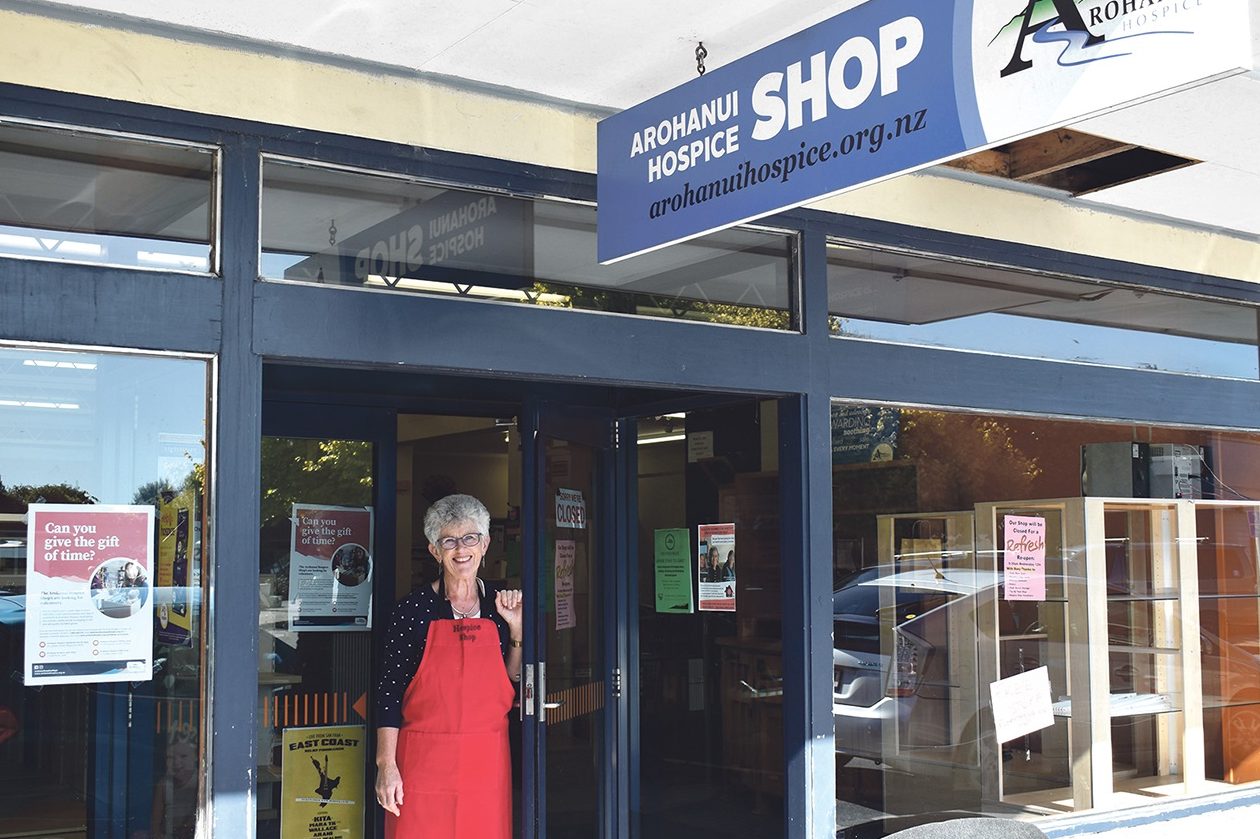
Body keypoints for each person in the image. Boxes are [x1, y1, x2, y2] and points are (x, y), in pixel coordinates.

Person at [374, 494, 523, 839]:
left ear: (485, 544)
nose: (461, 549)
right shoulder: (412, 610)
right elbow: (389, 692)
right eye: (449, 541)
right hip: (422, 763)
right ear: (435, 551)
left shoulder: (500, 605)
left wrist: (516, 629)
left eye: (470, 538)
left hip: (487, 763)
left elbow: (511, 679)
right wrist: (387, 765)